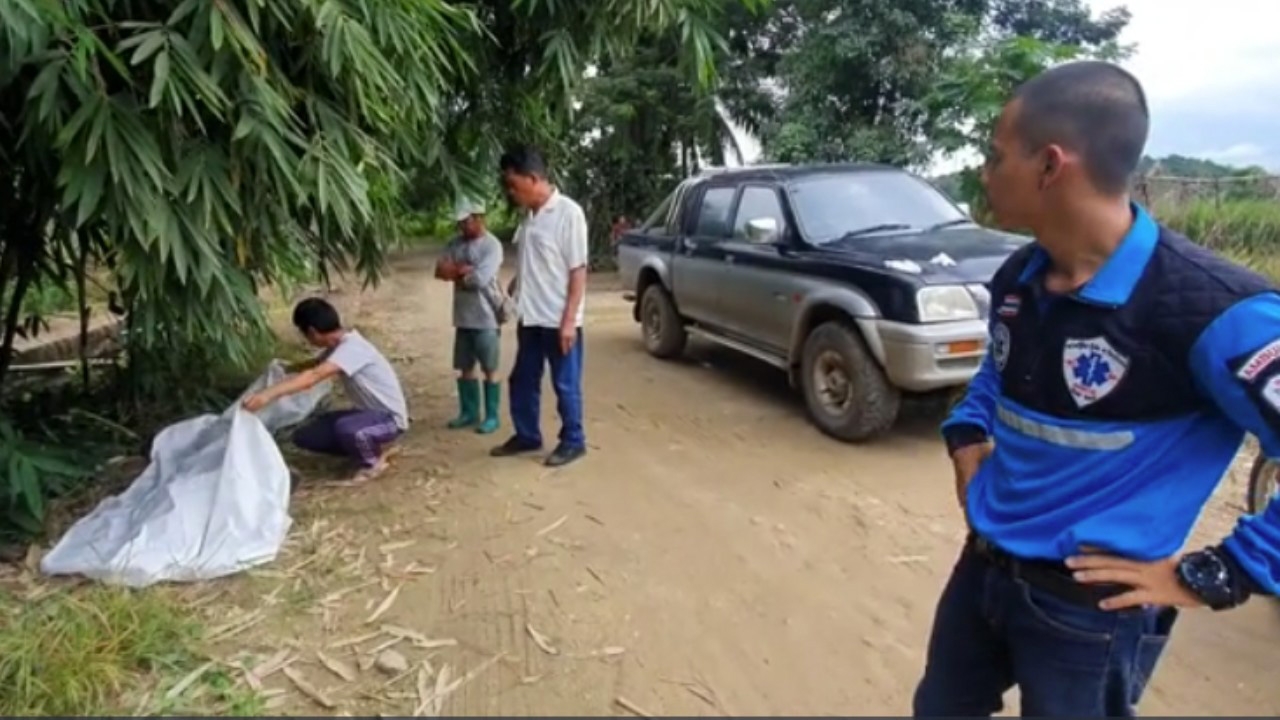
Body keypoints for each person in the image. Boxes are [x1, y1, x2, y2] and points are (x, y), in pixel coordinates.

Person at [914, 60, 1280, 718]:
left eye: (996, 156)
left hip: (1088, 612)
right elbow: (996, 374)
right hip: (983, 573)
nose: (984, 173)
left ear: (1051, 166)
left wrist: (1224, 572)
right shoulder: (1019, 277)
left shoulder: (1216, 311)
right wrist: (967, 432)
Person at [489, 145, 589, 467]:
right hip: (530, 316)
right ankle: (528, 435)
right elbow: (538, 262)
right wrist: (517, 285)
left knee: (565, 383)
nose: (510, 192)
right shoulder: (529, 218)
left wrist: (569, 321)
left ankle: (574, 441)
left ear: (533, 178)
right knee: (523, 379)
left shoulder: (568, 214)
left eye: (514, 185)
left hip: (558, 318)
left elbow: (578, 270)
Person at [243, 298, 409, 484]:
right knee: (306, 435)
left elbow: (314, 375)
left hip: (389, 419)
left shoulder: (353, 348)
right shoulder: (338, 346)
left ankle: (372, 462)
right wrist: (285, 369)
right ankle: (366, 446)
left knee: (348, 429)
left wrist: (267, 395)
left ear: (312, 332)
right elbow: (314, 365)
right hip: (366, 414)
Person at [435, 200, 505, 435]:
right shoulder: (454, 244)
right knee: (465, 366)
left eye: (466, 222)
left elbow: (479, 279)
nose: (462, 227)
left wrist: (456, 272)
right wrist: (461, 271)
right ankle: (469, 412)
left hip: (486, 317)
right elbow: (439, 270)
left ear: (479, 218)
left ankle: (492, 415)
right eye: (460, 223)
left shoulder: (492, 246)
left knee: (490, 367)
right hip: (463, 317)